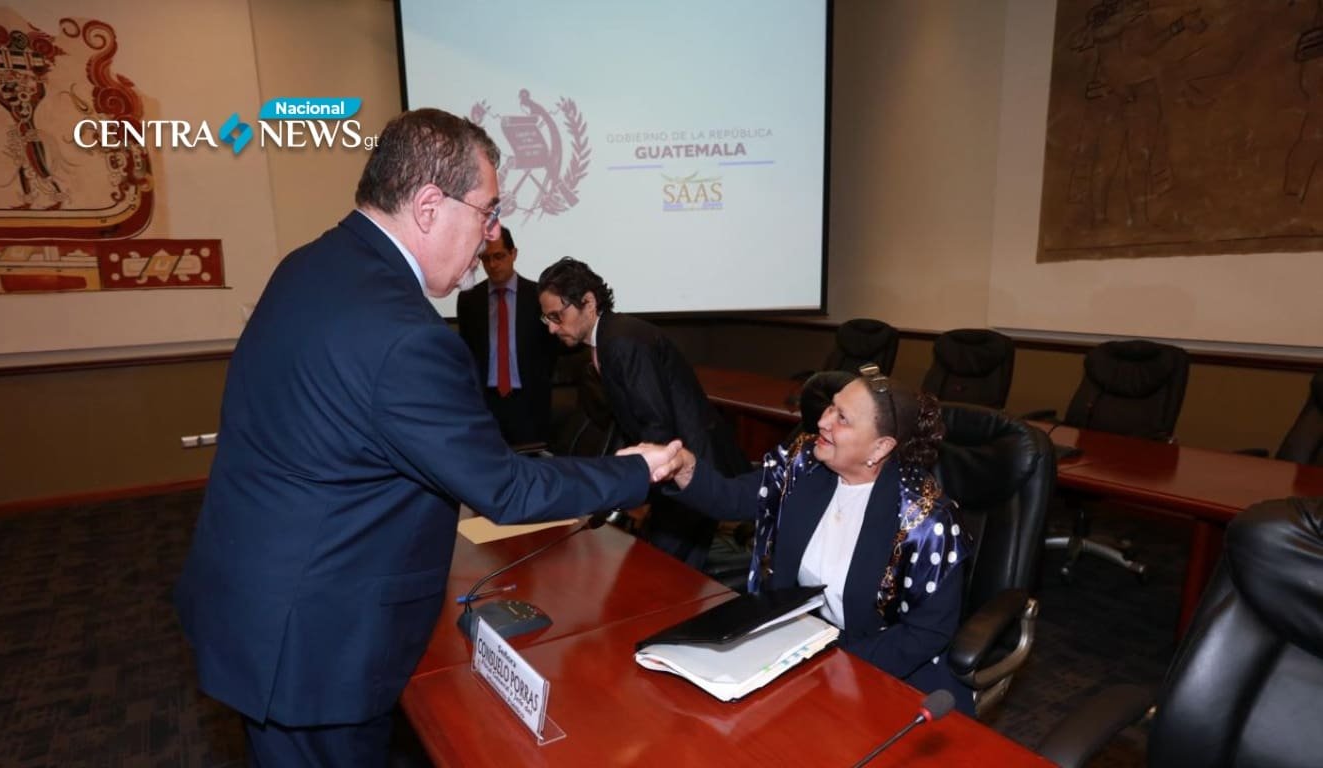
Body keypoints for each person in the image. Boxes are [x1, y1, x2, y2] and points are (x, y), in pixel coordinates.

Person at [173, 109, 682, 764]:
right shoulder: (405, 334)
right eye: (488, 210)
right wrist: (635, 469)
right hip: (315, 644)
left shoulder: (311, 265)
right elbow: (504, 486)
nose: (492, 233)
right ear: (429, 205)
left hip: (260, 601)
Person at [668, 366, 975, 714]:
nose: (823, 421)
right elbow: (734, 497)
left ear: (880, 446)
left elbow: (925, 633)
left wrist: (832, 667)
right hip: (801, 644)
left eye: (842, 418)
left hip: (886, 668)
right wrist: (685, 469)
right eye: (831, 407)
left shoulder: (926, 520)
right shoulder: (805, 463)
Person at [537, 257, 747, 569]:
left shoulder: (621, 342)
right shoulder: (612, 337)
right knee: (667, 576)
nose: (553, 328)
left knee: (662, 574)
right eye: (547, 319)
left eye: (557, 316)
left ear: (588, 302)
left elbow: (656, 425)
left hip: (687, 469)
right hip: (678, 469)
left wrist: (640, 493)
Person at [456, 226, 558, 444]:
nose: (492, 265)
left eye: (499, 256)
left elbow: (552, 347)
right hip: (486, 402)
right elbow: (467, 352)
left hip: (529, 400)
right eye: (485, 259)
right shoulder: (469, 299)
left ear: (514, 254)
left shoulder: (538, 296)